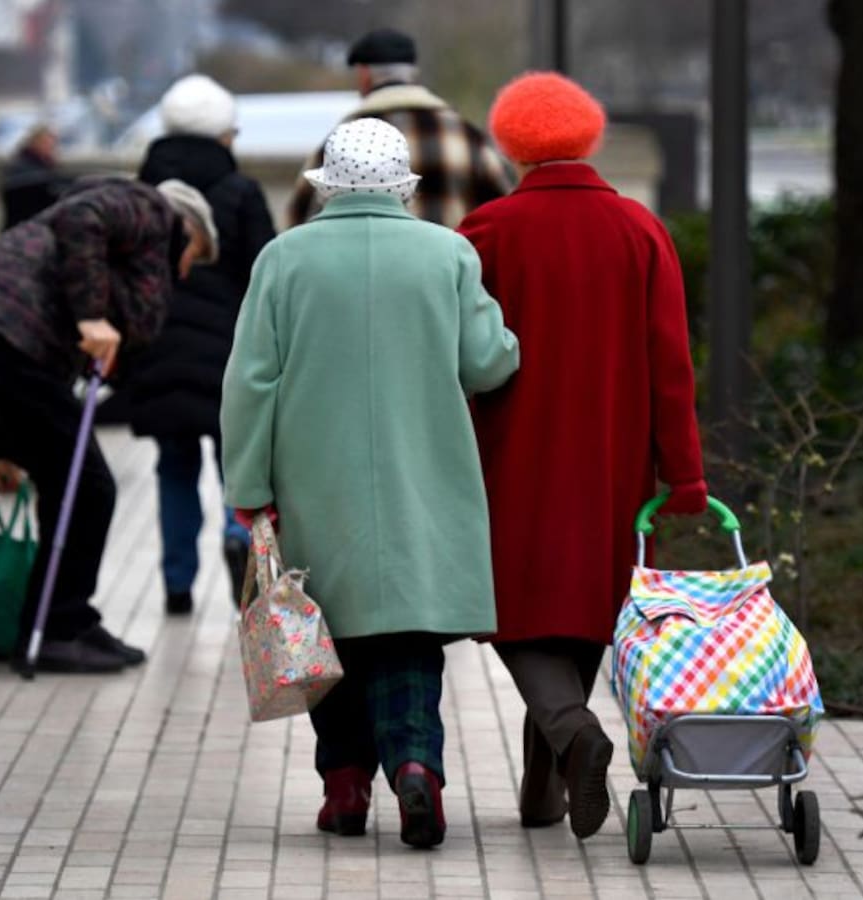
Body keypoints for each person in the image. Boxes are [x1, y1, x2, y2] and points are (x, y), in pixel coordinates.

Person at [222, 119, 520, 848]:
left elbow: (251, 382)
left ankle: (345, 785)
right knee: (409, 636)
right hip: (424, 477)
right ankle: (417, 764)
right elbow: (488, 362)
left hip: (311, 480)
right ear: (402, 187)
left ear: (329, 184)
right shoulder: (447, 253)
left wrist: (248, 484)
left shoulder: (283, 260)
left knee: (330, 635)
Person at [457, 72, 707, 839]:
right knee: (585, 608)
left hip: (512, 453)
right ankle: (546, 788)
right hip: (613, 456)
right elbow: (671, 360)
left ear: (512, 140)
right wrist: (685, 471)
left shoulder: (487, 231)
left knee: (516, 609)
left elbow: (460, 354)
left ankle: (570, 734)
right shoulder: (640, 229)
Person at [0, 176, 219, 674]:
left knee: (70, 483)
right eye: (193, 254)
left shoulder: (125, 245)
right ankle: (58, 628)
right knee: (88, 487)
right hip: (5, 342)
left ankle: (65, 620)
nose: (185, 269)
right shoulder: (149, 209)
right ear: (188, 228)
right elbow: (80, 219)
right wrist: (91, 318)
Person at [129, 74, 277, 616]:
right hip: (226, 356)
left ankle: (176, 582)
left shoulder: (142, 194)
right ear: (222, 135)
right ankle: (239, 546)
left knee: (173, 467)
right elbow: (266, 276)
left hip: (159, 351)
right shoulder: (242, 194)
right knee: (235, 466)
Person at [285, 28, 510, 228]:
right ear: (413, 72)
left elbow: (298, 218)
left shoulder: (342, 140)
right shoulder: (465, 135)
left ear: (364, 75)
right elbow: (503, 211)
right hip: (449, 272)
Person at [0, 124, 70, 231]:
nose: (51, 148)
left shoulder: (45, 166)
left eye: (53, 144)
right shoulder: (22, 165)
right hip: (21, 229)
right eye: (46, 143)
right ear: (34, 143)